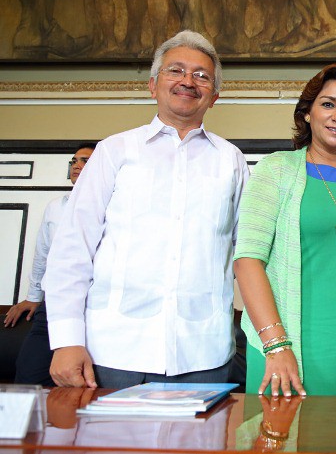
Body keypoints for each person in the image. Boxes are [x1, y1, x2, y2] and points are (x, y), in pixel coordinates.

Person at [41, 30, 249, 388]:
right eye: (176, 71)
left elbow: (246, 251)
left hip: (203, 354)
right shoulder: (114, 152)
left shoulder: (230, 160)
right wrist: (66, 339)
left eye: (201, 75)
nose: (188, 81)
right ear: (153, 85)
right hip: (112, 352)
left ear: (214, 96)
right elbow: (71, 249)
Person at [233, 63, 336, 397]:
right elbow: (247, 261)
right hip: (288, 347)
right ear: (307, 114)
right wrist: (276, 345)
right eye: (328, 104)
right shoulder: (276, 170)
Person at [4, 144, 95, 386]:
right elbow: (43, 254)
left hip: (96, 306)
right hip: (53, 303)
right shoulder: (55, 207)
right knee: (28, 378)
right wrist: (34, 295)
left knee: (86, 384)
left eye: (85, 160)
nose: (77, 165)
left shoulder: (115, 207)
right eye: (74, 161)